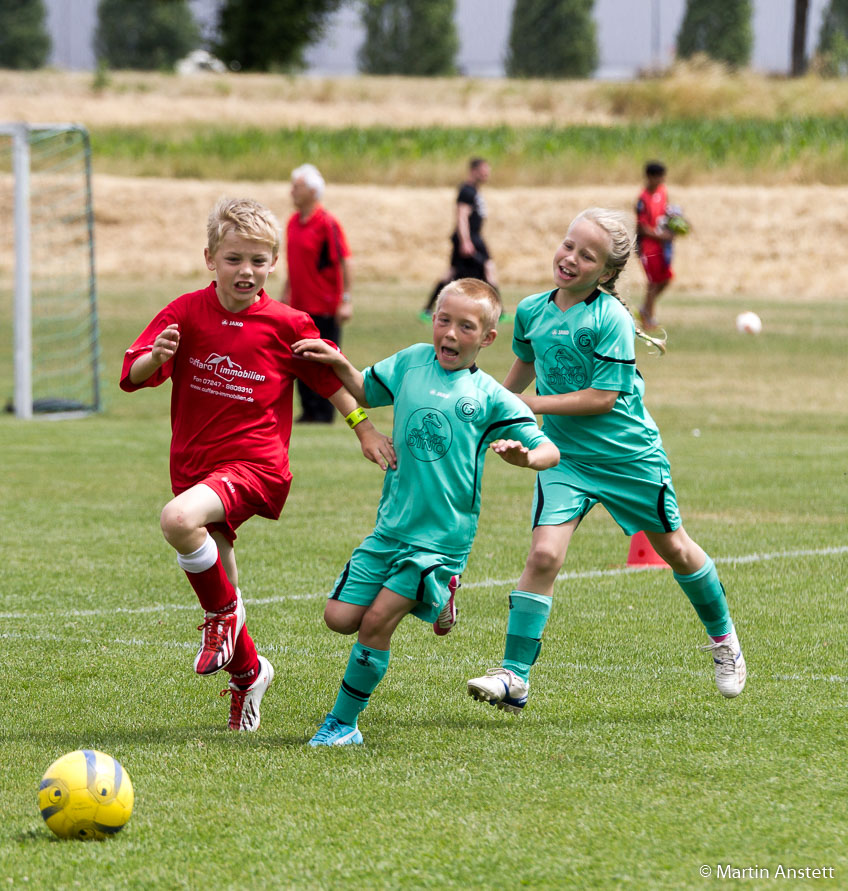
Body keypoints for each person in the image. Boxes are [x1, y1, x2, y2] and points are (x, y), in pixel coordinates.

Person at [120, 197, 393, 733]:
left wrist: (363, 428)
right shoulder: (184, 313)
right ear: (210, 258)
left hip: (256, 466)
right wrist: (158, 356)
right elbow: (132, 375)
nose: (246, 270)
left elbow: (329, 383)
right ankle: (249, 673)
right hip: (195, 465)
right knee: (221, 575)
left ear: (274, 263)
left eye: (258, 260)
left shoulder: (287, 323)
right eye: (234, 259)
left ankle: (221, 618)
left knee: (178, 520)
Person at [466, 208, 746, 715]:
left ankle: (723, 637)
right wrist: (494, 412)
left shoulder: (610, 318)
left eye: (587, 256)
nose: (570, 258)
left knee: (676, 549)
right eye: (568, 245)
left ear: (607, 272)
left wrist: (530, 406)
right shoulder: (531, 310)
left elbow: (602, 399)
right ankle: (514, 676)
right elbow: (524, 366)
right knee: (543, 557)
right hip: (566, 458)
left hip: (628, 457)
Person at [293, 278, 560, 746]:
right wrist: (339, 362)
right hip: (390, 528)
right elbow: (364, 390)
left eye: (466, 326)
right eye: (443, 320)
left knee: (376, 622)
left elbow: (549, 450)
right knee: (339, 618)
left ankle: (342, 724)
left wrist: (525, 457)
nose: (450, 333)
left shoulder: (491, 396)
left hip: (441, 540)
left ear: (487, 338)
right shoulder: (412, 361)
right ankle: (440, 599)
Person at [282, 163, 354, 424]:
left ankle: (325, 413)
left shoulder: (327, 223)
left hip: (324, 306)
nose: (292, 191)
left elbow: (345, 261)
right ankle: (309, 411)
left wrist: (346, 300)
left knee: (324, 360)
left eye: (297, 186)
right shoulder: (292, 223)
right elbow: (294, 264)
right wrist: (285, 294)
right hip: (299, 307)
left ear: (313, 191)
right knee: (300, 358)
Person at [422, 157, 499, 316]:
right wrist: (466, 241)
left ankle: (428, 308)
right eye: (484, 171)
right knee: (484, 268)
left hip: (474, 237)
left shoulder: (474, 191)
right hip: (470, 238)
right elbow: (461, 217)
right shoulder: (466, 191)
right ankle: (498, 310)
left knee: (461, 271)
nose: (487, 174)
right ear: (473, 171)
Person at [635, 160, 675, 329]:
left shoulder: (662, 192)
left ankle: (645, 309)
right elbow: (642, 228)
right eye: (658, 177)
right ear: (650, 177)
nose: (661, 180)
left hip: (662, 247)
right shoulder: (642, 199)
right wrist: (662, 236)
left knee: (666, 279)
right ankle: (648, 318)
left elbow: (666, 212)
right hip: (648, 247)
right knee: (653, 282)